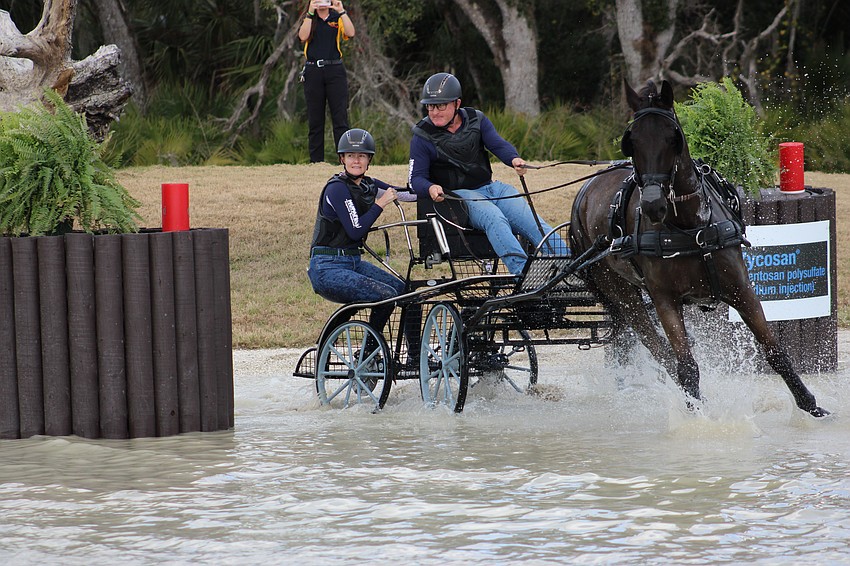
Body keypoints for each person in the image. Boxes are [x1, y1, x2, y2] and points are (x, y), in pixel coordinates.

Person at [408, 72, 569, 275]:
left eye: (441, 106)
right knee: (495, 219)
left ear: (457, 104)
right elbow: (415, 180)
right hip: (458, 196)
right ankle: (524, 276)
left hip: (491, 188)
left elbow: (498, 144)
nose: (434, 112)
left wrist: (514, 159)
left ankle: (569, 269)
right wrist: (430, 187)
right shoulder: (422, 136)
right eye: (430, 106)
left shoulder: (477, 119)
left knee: (530, 219)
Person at [308, 128, 419, 363]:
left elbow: (406, 194)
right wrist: (380, 204)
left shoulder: (368, 184)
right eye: (350, 155)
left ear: (369, 160)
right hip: (327, 268)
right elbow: (356, 230)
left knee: (410, 294)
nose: (356, 160)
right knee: (385, 295)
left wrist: (432, 188)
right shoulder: (337, 188)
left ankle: (416, 358)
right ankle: (368, 355)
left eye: (361, 156)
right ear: (342, 159)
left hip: (353, 263)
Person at [298, 0, 354, 163]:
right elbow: (302, 36)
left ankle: (345, 160)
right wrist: (310, 12)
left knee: (340, 117)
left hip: (334, 69)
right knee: (315, 118)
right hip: (313, 69)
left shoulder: (336, 18)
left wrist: (341, 11)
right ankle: (316, 161)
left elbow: (350, 33)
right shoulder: (309, 18)